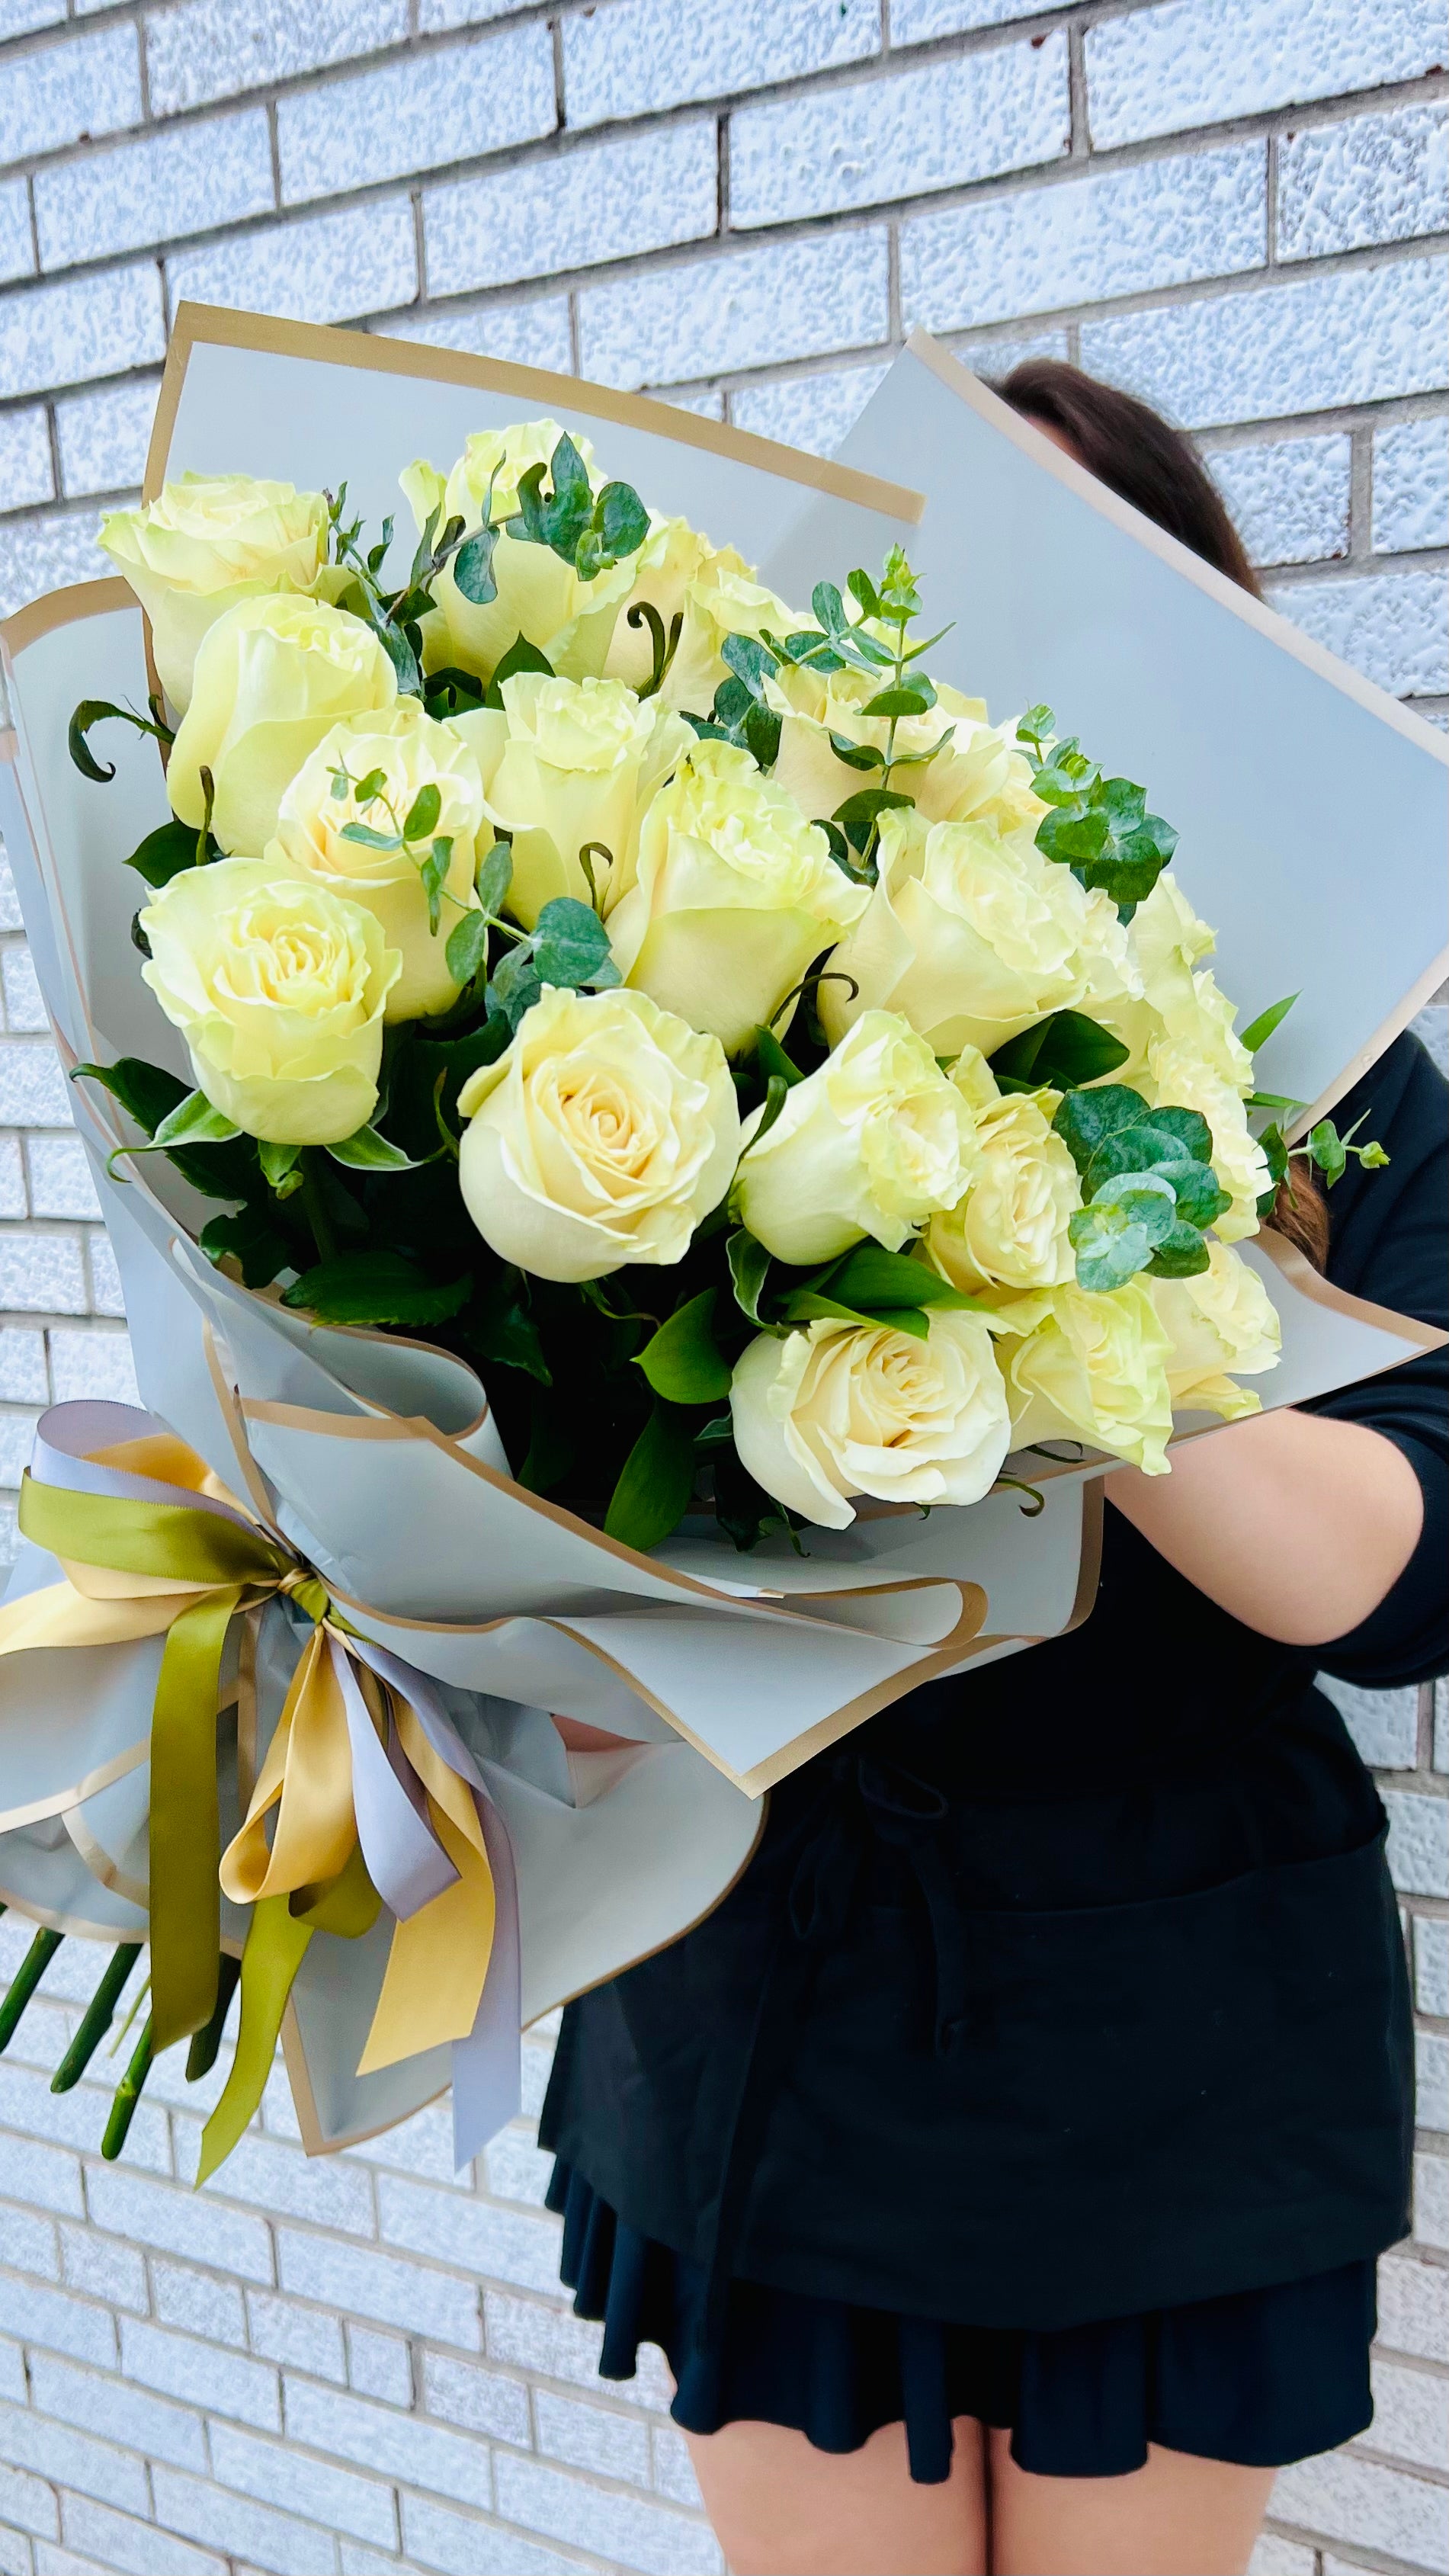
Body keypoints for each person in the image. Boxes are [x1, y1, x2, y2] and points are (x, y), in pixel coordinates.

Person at [538, 361, 1449, 2576]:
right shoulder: (686, 1020)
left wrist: (1081, 1189)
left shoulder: (1338, 1074)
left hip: (1171, 2010)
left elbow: (1399, 1584)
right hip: (783, 1986)